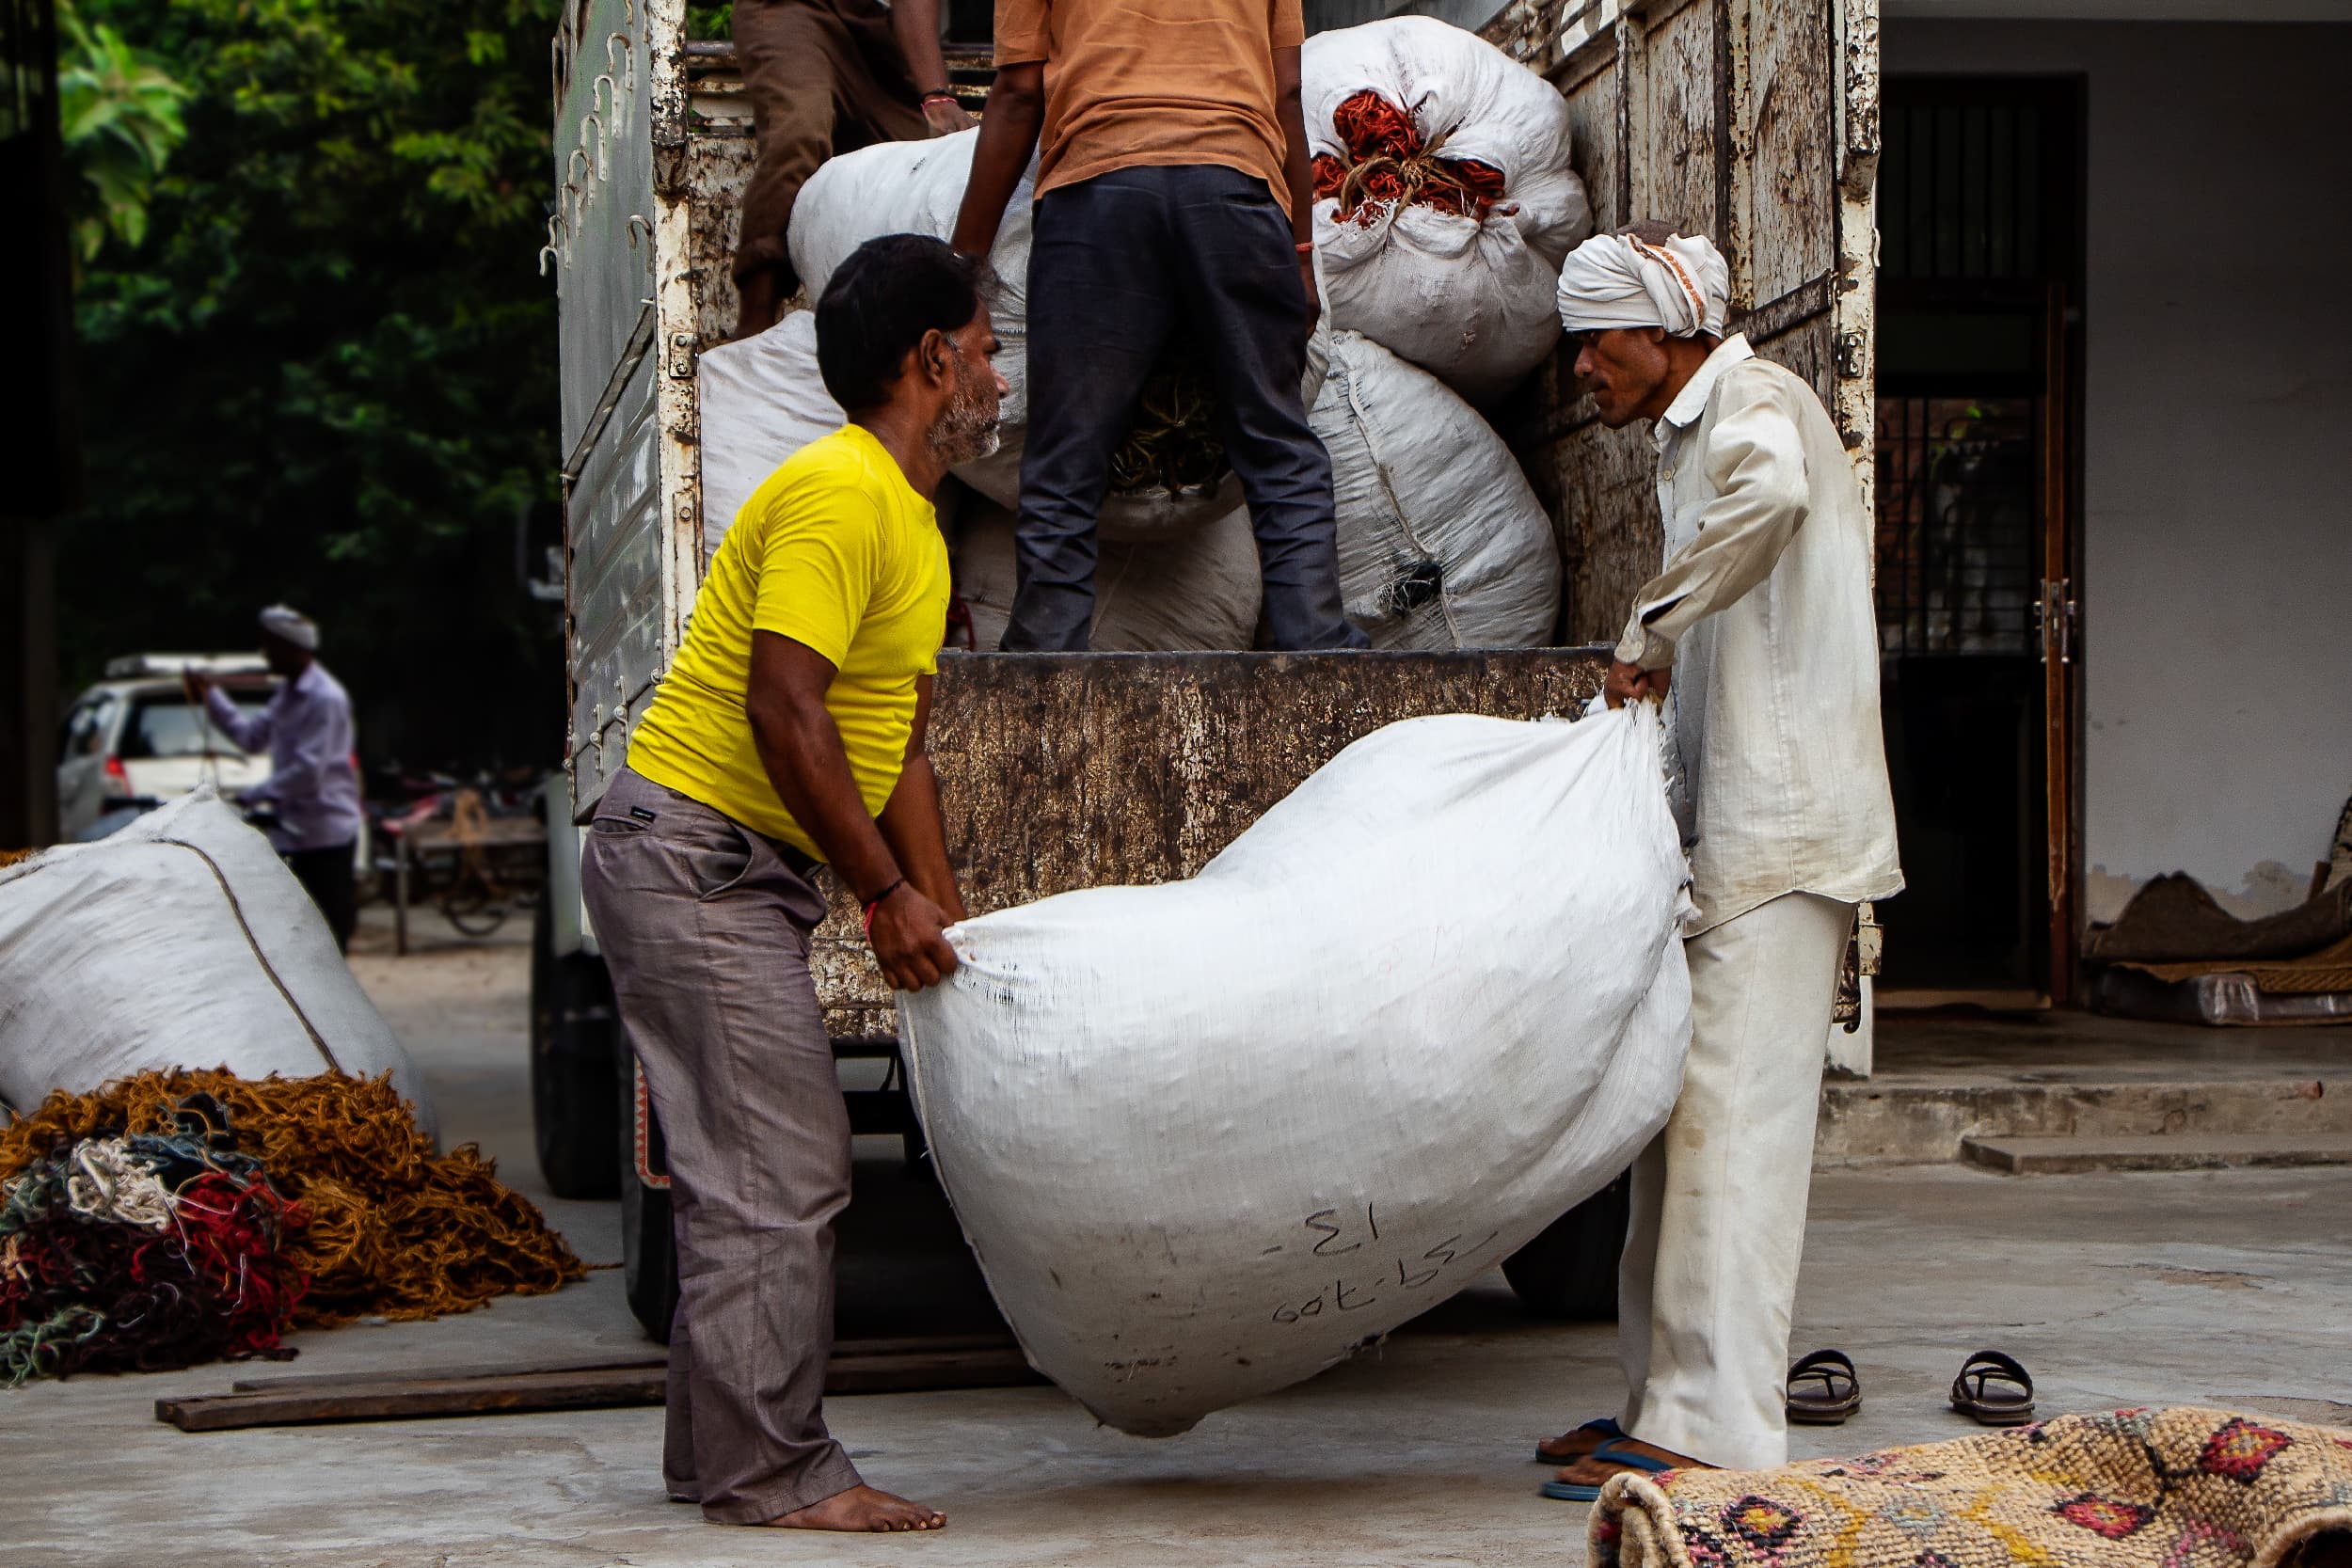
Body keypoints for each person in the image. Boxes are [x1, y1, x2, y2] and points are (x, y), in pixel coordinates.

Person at [580, 234, 1003, 1533]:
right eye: (984, 350)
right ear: (933, 361)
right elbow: (786, 710)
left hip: (718, 862)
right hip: (692, 855)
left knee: (740, 1168)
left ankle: (717, 1455)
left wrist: (947, 919)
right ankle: (775, 1471)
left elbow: (896, 746)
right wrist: (881, 896)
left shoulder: (915, 521)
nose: (996, 373)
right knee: (788, 1165)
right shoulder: (839, 492)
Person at [1538, 227, 1903, 1498]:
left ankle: (1715, 1431)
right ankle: (1659, 1400)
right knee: (1677, 1126)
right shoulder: (1689, 429)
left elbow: (1775, 499)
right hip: (1724, 834)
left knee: (1735, 1140)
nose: (1586, 366)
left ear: (1668, 328)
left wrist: (1649, 622)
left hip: (1783, 830)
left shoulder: (1755, 403)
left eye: (1602, 340)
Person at [947, 0, 1365, 654]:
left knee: (1066, 459)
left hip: (1097, 198)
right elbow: (1286, 90)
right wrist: (1303, 255)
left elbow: (1019, 92)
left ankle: (1042, 668)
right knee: (1277, 441)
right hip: (1235, 192)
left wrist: (963, 265)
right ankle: (1316, 645)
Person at [731, 0, 974, 340]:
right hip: (789, 8)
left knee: (917, 169)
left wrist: (936, 97)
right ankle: (755, 320)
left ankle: (893, 337)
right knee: (799, 130)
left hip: (878, 24)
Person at [184, 607, 363, 952]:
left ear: (292, 648)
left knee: (330, 936)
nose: (265, 655)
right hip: (292, 833)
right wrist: (211, 697)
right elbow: (251, 737)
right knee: (297, 936)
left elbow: (308, 774)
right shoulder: (287, 694)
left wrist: (252, 795)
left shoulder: (324, 698)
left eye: (271, 646)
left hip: (325, 835)